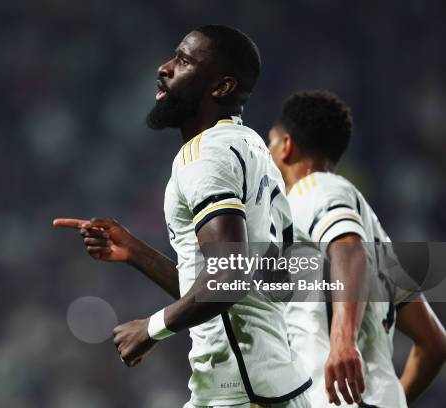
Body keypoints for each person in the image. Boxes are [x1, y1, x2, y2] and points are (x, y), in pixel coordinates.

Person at [54, 25, 311, 407]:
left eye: (184, 61)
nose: (165, 67)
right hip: (266, 385)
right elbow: (239, 288)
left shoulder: (205, 156)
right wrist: (136, 252)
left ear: (221, 87)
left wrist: (151, 328)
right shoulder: (250, 147)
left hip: (241, 392)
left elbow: (229, 278)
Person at [267, 90, 446, 406]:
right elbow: (434, 343)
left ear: (286, 146)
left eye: (270, 142)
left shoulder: (313, 188)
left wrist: (343, 341)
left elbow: (348, 248)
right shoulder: (375, 236)